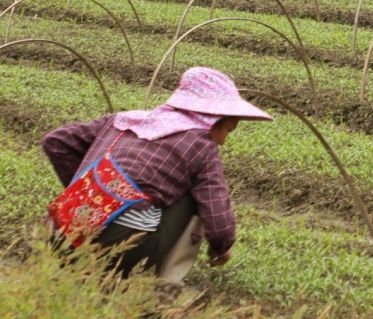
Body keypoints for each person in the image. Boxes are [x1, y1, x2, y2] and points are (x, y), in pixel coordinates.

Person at [42, 67, 272, 283]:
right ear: (212, 119)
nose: (223, 140)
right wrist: (221, 248)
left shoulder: (123, 120)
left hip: (58, 235)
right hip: (118, 251)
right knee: (196, 196)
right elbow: (217, 215)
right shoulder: (201, 144)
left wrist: (89, 191)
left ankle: (77, 258)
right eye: (227, 130)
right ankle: (159, 275)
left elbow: (57, 142)